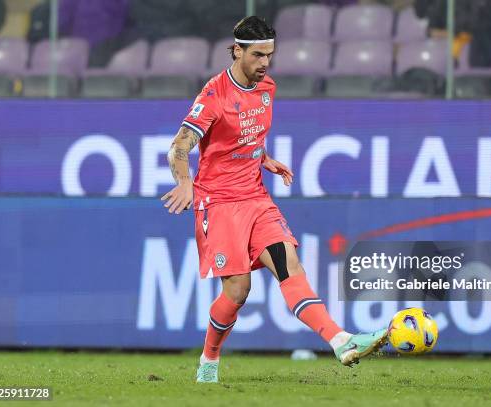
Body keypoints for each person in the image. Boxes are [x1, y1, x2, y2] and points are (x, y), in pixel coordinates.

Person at [160, 16, 387, 384]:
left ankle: (340, 340)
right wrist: (185, 182)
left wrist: (261, 157)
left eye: (270, 55)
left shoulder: (267, 87)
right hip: (218, 202)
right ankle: (209, 360)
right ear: (237, 50)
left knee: (289, 262)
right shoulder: (214, 95)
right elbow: (179, 147)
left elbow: (246, 134)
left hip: (255, 196)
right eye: (257, 55)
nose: (264, 63)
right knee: (238, 291)